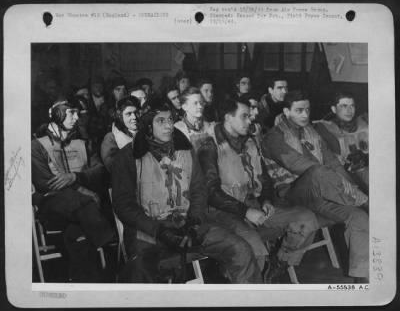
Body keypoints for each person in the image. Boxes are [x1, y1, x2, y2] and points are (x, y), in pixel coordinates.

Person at [111, 98, 262, 283]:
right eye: (161, 121)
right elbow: (124, 206)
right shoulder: (128, 157)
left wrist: (194, 223)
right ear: (147, 125)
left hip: (189, 225)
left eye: (170, 120)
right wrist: (160, 232)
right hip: (150, 231)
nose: (168, 126)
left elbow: (199, 190)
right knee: (142, 271)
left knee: (240, 250)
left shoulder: (185, 149)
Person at [197, 97, 319, 281]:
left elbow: (265, 179)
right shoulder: (209, 146)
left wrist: (266, 200)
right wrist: (246, 211)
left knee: (306, 219)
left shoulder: (250, 142)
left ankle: (279, 264)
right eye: (244, 116)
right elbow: (210, 193)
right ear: (228, 118)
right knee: (254, 249)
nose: (250, 120)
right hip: (223, 211)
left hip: (252, 204)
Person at [261, 90, 369, 283]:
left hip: (319, 193)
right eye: (299, 110)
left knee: (358, 217)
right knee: (318, 172)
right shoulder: (274, 137)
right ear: (286, 111)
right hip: (289, 194)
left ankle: (362, 281)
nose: (305, 115)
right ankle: (365, 202)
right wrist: (355, 194)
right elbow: (299, 165)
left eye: (308, 110)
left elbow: (333, 163)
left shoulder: (312, 131)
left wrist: (352, 187)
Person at [31, 101, 116, 282]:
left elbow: (99, 171)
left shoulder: (83, 143)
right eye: (71, 113)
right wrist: (83, 190)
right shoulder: (37, 145)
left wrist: (75, 177)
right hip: (53, 206)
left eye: (78, 113)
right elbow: (46, 183)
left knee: (78, 235)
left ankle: (85, 285)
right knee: (83, 202)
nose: (77, 118)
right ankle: (109, 241)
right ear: (56, 115)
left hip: (82, 213)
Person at [314, 92, 368, 193]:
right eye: (344, 106)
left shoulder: (365, 122)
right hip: (345, 176)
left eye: (352, 106)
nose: (349, 110)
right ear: (334, 109)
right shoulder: (324, 128)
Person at [101, 96, 140, 173]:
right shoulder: (112, 138)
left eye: (136, 113)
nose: (134, 117)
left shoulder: (146, 133)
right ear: (120, 116)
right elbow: (112, 166)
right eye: (129, 114)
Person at [174, 87, 216, 152]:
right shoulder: (178, 130)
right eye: (195, 103)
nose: (200, 106)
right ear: (184, 107)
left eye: (201, 103)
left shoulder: (211, 127)